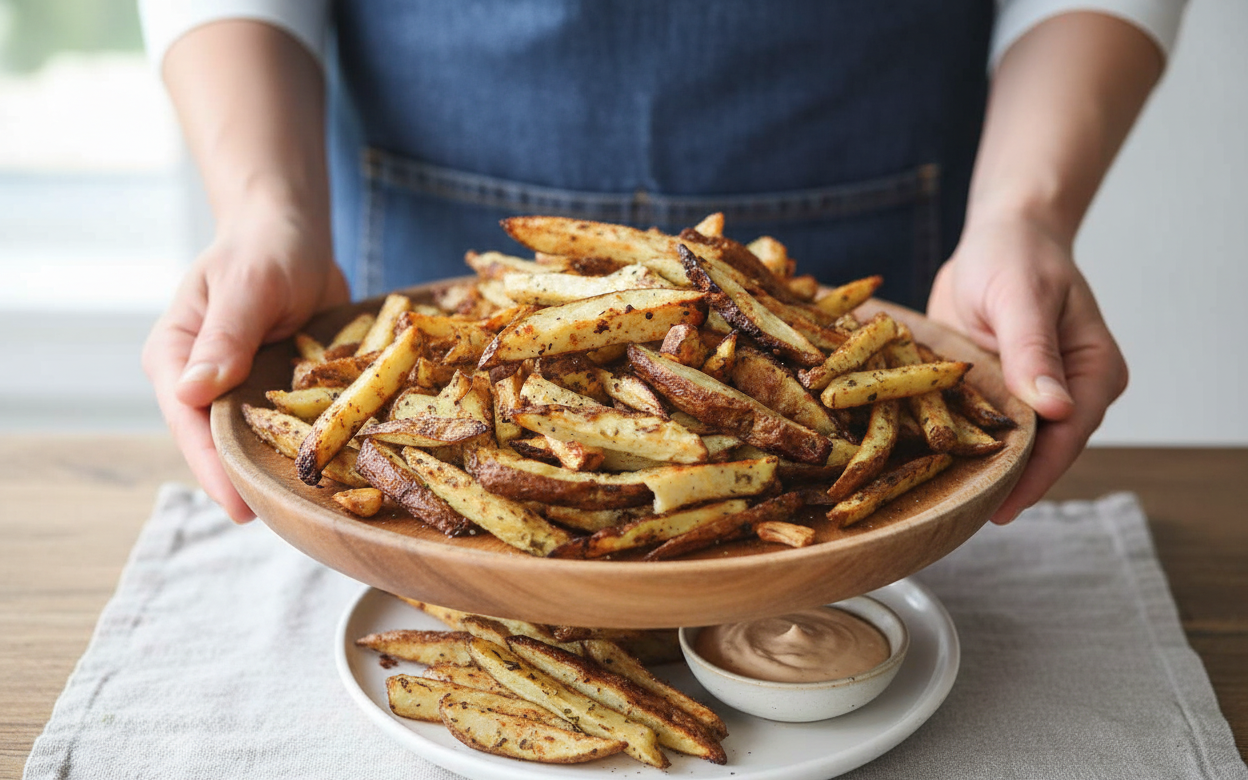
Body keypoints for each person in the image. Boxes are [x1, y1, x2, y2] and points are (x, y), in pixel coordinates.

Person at [138, 2, 1185, 525]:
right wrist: (264, 209)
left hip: (866, 249)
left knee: (830, 505)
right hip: (436, 264)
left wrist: (1026, 212)